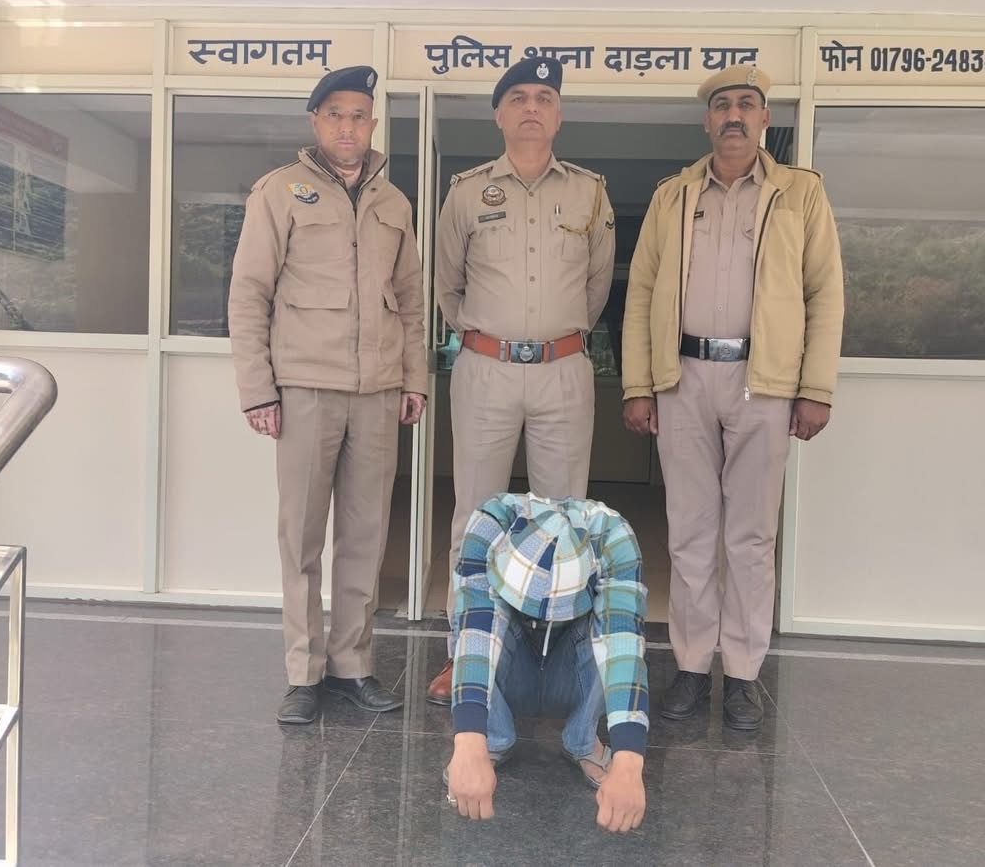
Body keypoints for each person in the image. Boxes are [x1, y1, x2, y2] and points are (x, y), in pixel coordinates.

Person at [621, 64, 844, 731]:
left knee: (750, 536)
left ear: (764, 117)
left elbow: (824, 293)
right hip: (684, 377)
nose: (734, 115)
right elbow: (641, 293)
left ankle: (744, 672)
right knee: (689, 531)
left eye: (747, 104)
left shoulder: (799, 194)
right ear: (707, 120)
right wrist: (639, 384)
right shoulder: (672, 196)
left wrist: (814, 388)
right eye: (723, 106)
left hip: (763, 382)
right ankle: (692, 666)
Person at [228, 65, 427, 724]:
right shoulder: (279, 191)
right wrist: (258, 389)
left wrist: (414, 379)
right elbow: (249, 294)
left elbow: (411, 302)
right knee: (302, 536)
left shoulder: (393, 202)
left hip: (377, 391)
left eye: (359, 115)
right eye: (335, 114)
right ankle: (303, 673)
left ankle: (352, 665)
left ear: (373, 124)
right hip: (306, 387)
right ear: (315, 122)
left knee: (366, 535)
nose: (348, 126)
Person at [426, 56, 617, 705]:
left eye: (543, 98)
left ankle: (550, 663)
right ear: (499, 115)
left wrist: (552, 337)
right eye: (518, 98)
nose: (532, 107)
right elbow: (447, 286)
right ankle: (466, 656)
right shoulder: (466, 193)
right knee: (476, 519)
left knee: (563, 523)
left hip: (563, 372)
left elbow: (595, 287)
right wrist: (494, 337)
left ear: (558, 114)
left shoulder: (590, 193)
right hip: (485, 370)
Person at [443, 493, 648, 833]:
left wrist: (629, 763)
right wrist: (467, 741)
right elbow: (476, 632)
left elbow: (622, 645)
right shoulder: (487, 528)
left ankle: (583, 739)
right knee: (472, 626)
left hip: (572, 655)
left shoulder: (615, 539)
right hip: (513, 655)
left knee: (614, 634)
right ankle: (490, 737)